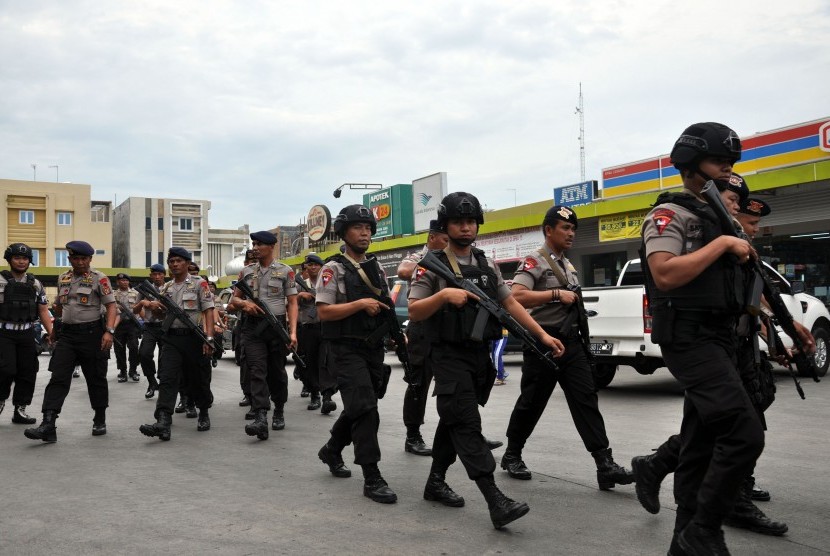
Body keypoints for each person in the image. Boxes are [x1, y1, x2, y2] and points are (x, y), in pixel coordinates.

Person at [631, 173, 793, 539]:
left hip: (730, 341)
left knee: (705, 436)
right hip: (698, 340)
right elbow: (665, 274)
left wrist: (779, 328)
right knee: (740, 429)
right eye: (731, 198)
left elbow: (750, 293)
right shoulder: (686, 222)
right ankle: (708, 523)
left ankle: (682, 525)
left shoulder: (727, 235)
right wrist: (722, 243)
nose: (736, 205)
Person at [408, 192, 565, 529]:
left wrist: (542, 335)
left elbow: (511, 305)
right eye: (457, 222)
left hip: (478, 358)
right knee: (466, 424)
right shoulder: (433, 264)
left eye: (470, 222)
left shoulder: (486, 263)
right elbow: (415, 310)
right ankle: (495, 498)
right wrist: (444, 295)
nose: (465, 228)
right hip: (448, 357)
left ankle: (435, 481)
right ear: (446, 226)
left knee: (454, 420)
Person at [503, 205, 635, 490]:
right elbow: (516, 297)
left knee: (586, 399)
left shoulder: (568, 264)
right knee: (532, 401)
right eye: (565, 228)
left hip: (572, 343)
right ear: (548, 230)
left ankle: (604, 464)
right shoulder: (533, 261)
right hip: (543, 342)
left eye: (573, 229)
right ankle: (512, 454)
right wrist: (553, 294)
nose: (571, 233)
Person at [315, 205, 398, 504]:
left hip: (372, 348)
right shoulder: (332, 268)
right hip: (344, 348)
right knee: (365, 410)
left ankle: (332, 449)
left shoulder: (376, 267)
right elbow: (324, 312)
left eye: (368, 227)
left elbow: (385, 305)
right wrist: (360, 305)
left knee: (360, 405)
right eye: (357, 227)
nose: (364, 232)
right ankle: (372, 476)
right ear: (343, 233)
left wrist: (397, 337)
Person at [25, 241, 116, 441]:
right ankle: (48, 423)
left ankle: (99, 417)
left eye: (84, 258)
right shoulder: (63, 278)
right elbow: (60, 307)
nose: (80, 262)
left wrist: (109, 331)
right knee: (58, 377)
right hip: (67, 336)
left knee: (96, 378)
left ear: (90, 259)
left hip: (92, 334)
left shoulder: (100, 279)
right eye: (76, 258)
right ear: (70, 259)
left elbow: (111, 306)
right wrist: (55, 327)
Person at [139, 247, 215, 440]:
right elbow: (160, 314)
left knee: (198, 377)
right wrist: (156, 308)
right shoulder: (167, 288)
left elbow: (208, 311)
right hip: (172, 338)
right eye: (171, 261)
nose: (174, 264)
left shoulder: (200, 284)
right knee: (167, 377)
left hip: (194, 337)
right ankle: (163, 420)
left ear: (188, 263)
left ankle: (203, 411)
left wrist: (209, 338)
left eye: (178, 261)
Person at [229, 231, 298, 440]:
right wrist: (245, 304)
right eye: (254, 244)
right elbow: (233, 301)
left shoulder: (286, 271)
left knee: (276, 372)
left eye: (259, 244)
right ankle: (260, 416)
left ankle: (279, 409)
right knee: (256, 370)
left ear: (271, 246)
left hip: (275, 327)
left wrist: (293, 332)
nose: (255, 248)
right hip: (252, 328)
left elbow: (293, 302)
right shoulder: (246, 272)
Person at [396, 219, 449, 456]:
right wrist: (429, 260)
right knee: (419, 384)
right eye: (445, 239)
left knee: (458, 383)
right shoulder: (419, 256)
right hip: (422, 328)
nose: (449, 243)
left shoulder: (455, 258)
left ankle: (468, 430)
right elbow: (403, 271)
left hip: (448, 329)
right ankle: (412, 435)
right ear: (432, 237)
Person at [0, 243, 53, 425]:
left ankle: (20, 410)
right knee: (5, 370)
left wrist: (52, 333)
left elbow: (43, 310)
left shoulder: (35, 284)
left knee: (28, 371)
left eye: (25, 258)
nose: (21, 261)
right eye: (17, 258)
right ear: (9, 260)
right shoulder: (0, 281)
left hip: (27, 334)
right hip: (3, 334)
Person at [296, 253, 324, 411]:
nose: (313, 267)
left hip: (325, 326)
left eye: (316, 265)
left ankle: (326, 395)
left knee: (326, 362)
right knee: (309, 362)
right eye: (310, 265)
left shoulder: (326, 282)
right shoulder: (300, 283)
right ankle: (315, 393)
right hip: (307, 327)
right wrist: (300, 296)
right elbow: (289, 302)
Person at [134, 263, 166, 399]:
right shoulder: (144, 289)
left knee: (165, 358)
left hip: (166, 326)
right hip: (150, 327)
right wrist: (142, 303)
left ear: (164, 275)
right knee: (144, 354)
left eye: (160, 274)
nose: (157, 277)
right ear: (151, 275)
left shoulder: (168, 288)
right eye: (155, 274)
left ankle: (163, 384)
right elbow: (134, 310)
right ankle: (152, 382)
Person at [112, 273, 141, 383]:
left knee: (133, 347)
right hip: (118, 325)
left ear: (129, 282)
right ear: (117, 282)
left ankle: (133, 371)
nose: (123, 282)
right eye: (121, 280)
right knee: (119, 349)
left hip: (132, 324)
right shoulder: (113, 294)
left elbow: (140, 307)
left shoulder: (136, 293)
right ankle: (122, 371)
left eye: (126, 280)